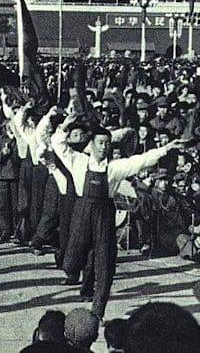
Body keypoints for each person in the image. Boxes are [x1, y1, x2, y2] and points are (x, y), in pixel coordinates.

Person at [52, 111, 185, 320]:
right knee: (71, 262)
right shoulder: (77, 161)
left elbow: (140, 160)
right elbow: (58, 144)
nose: (104, 147)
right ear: (92, 144)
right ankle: (77, 276)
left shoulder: (114, 168)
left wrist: (166, 149)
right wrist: (65, 126)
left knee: (105, 262)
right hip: (81, 212)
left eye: (107, 143)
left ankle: (97, 311)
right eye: (100, 143)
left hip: (104, 215)